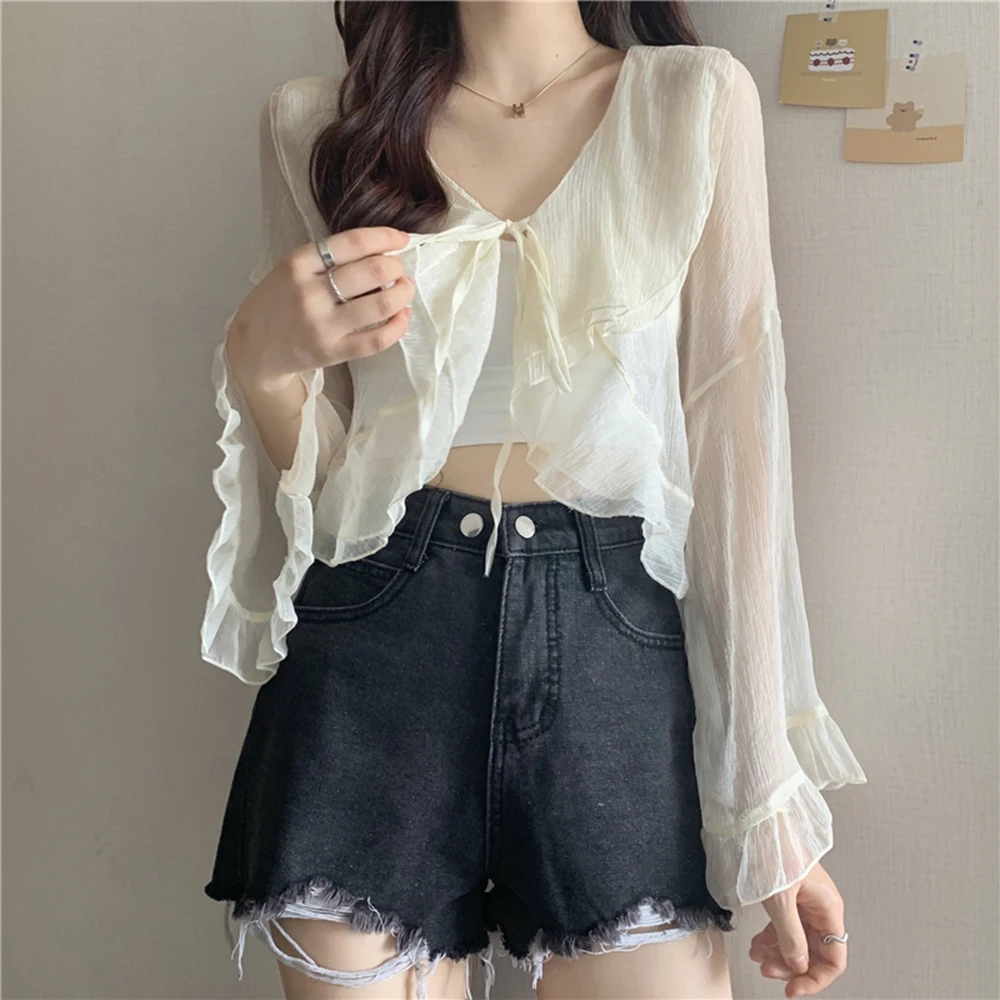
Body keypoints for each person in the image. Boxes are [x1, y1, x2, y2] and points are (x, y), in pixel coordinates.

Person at [201, 2, 868, 998]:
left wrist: (766, 810)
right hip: (377, 648)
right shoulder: (318, 126)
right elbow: (338, 502)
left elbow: (734, 458)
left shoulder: (691, 104)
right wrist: (259, 367)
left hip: (616, 653)